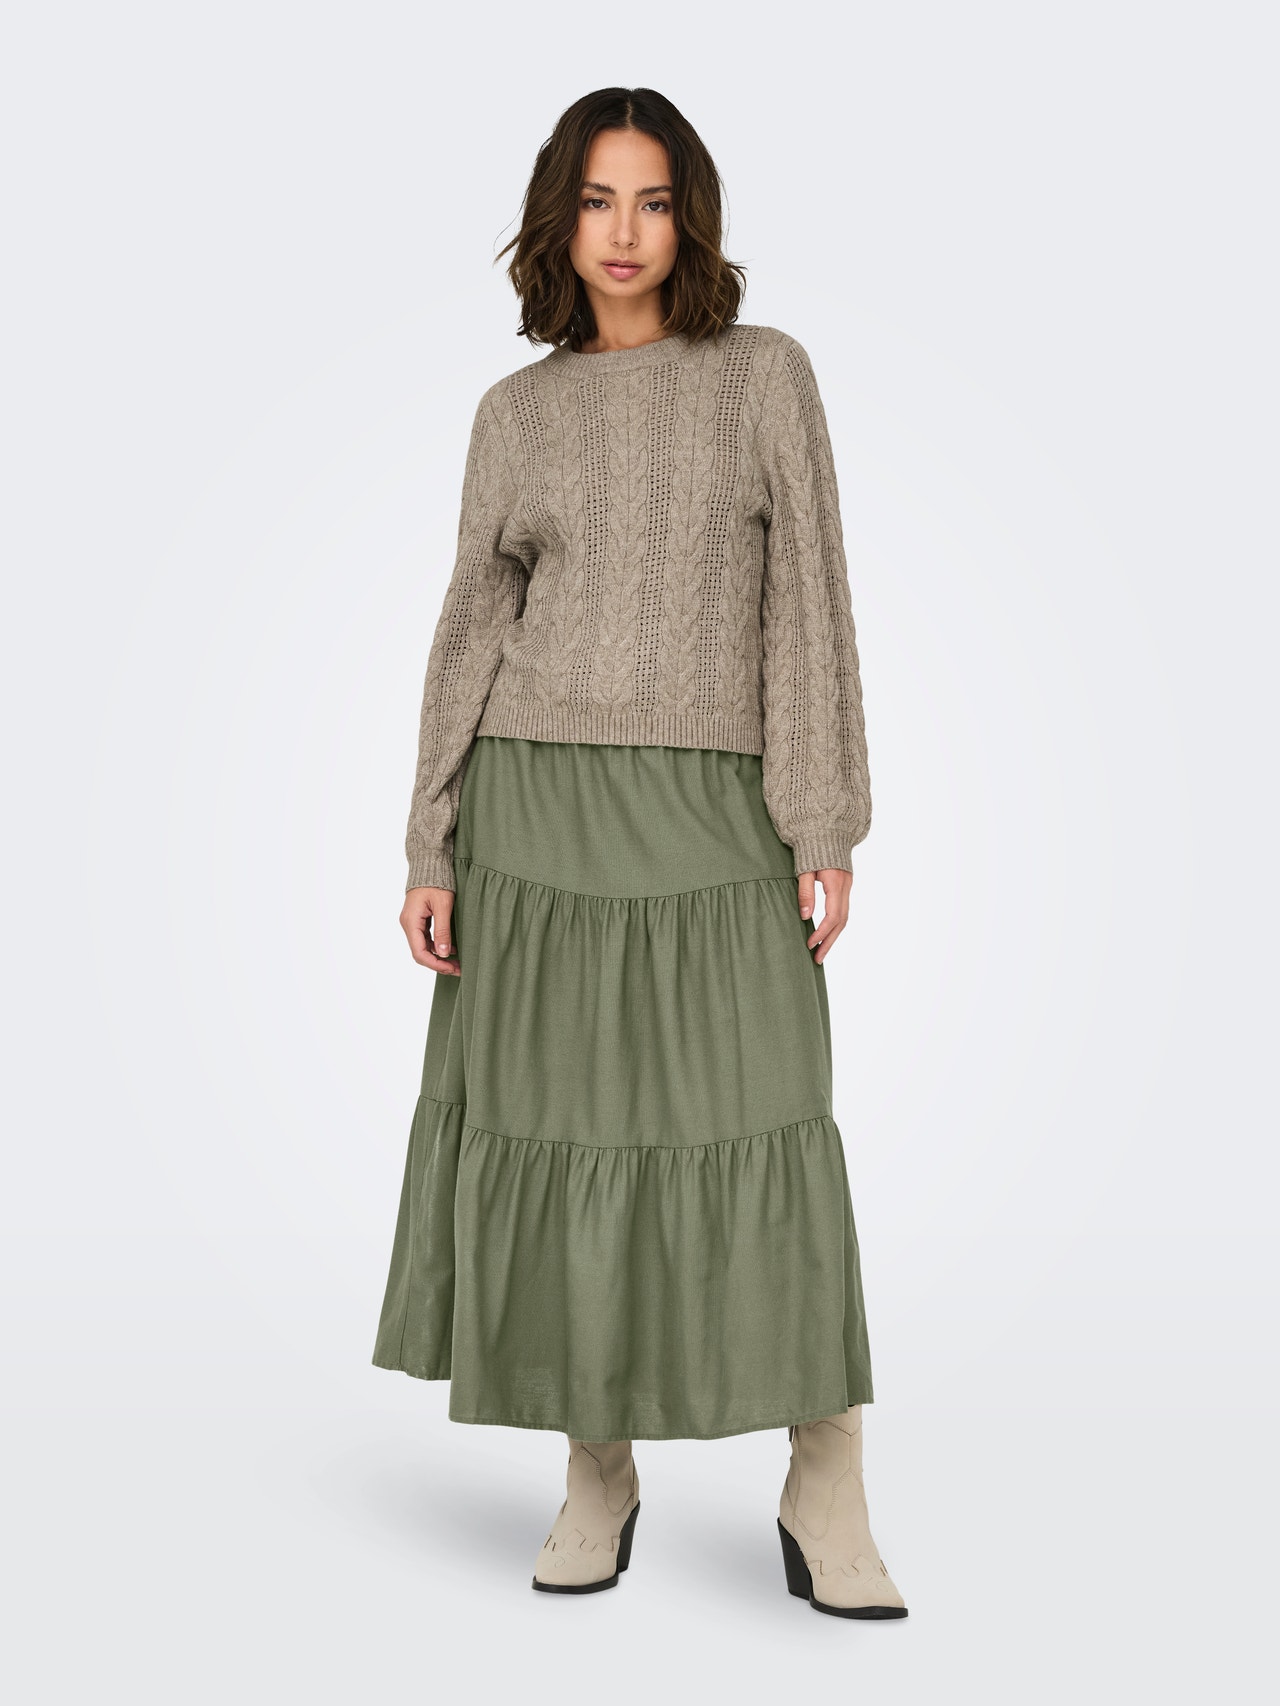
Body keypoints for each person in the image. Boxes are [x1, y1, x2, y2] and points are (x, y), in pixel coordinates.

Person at [371, 85, 908, 1621]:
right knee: (566, 1127)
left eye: (654, 200)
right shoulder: (516, 413)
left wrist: (822, 812)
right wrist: (431, 835)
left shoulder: (764, 376)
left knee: (767, 1115)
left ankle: (826, 1475)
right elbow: (472, 624)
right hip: (535, 814)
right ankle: (594, 1467)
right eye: (598, 200)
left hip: (716, 810)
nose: (625, 233)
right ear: (560, 220)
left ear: (692, 218)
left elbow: (812, 597)